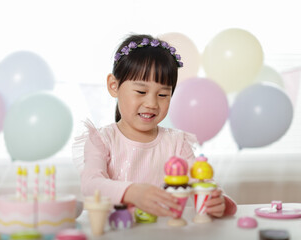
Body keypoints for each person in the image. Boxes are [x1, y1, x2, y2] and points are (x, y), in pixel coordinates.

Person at [72, 34, 237, 219]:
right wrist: (133, 192)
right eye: (141, 91)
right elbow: (91, 184)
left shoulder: (176, 143)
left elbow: (203, 182)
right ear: (113, 85)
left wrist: (220, 202)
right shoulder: (102, 140)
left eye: (163, 95)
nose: (152, 103)